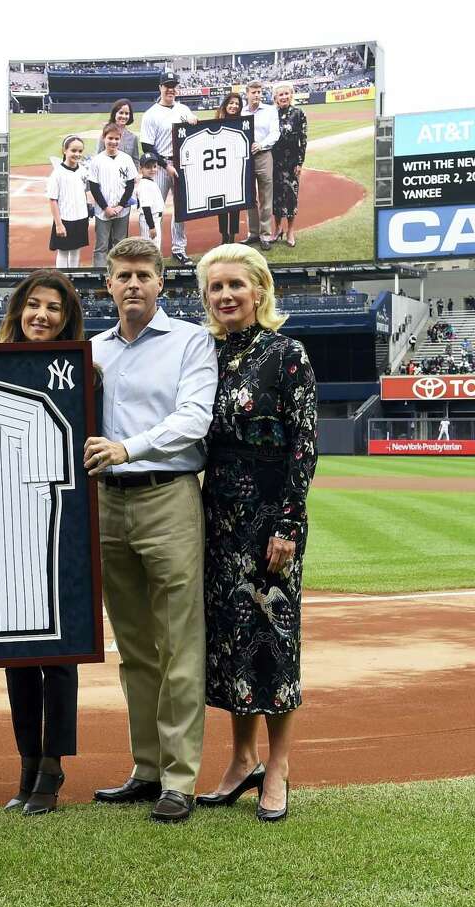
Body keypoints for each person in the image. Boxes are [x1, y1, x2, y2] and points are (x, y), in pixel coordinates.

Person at [84, 237, 217, 823]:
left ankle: (181, 779)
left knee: (179, 644)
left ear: (161, 283)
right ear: (107, 285)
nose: (132, 284)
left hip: (168, 496)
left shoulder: (191, 341)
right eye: (122, 276)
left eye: (143, 274)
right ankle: (147, 767)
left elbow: (194, 419)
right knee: (135, 647)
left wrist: (126, 448)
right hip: (108, 503)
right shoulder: (91, 351)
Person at [193, 244, 317, 822]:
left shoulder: (287, 354)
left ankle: (280, 766)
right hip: (217, 518)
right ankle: (241, 760)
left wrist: (289, 523)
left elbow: (303, 446)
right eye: (215, 288)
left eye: (235, 286)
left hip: (271, 520)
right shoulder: (203, 355)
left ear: (261, 291)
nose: (225, 297)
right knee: (231, 642)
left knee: (273, 640)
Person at [0, 270, 86, 816]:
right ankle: (28, 760)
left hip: (59, 524)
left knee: (60, 651)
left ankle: (51, 767)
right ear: (19, 310)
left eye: (54, 308)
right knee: (15, 650)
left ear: (66, 317)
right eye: (34, 306)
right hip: (3, 527)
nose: (42, 316)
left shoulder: (79, 368)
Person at [140, 71, 197, 265]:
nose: (170, 89)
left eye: (173, 85)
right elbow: (147, 146)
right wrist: (165, 166)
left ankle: (179, 249)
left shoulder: (183, 108)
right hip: (160, 165)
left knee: (181, 209)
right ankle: (150, 250)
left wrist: (193, 119)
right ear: (160, 88)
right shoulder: (151, 114)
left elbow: (193, 123)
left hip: (182, 164)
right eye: (167, 85)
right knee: (155, 209)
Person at [87, 124, 138, 268]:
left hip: (122, 210)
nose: (113, 142)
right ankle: (98, 275)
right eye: (110, 138)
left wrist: (121, 205)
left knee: (120, 244)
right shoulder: (97, 160)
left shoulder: (126, 159)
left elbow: (130, 185)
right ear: (104, 138)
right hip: (103, 211)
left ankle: (119, 272)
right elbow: (94, 187)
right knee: (101, 246)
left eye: (116, 139)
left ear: (120, 139)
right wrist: (106, 208)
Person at [242, 80, 281, 252]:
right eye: (254, 92)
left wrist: (262, 144)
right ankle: (253, 233)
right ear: (247, 93)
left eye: (259, 92)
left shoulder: (270, 110)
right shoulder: (241, 111)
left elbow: (275, 132)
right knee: (249, 197)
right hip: (245, 158)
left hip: (264, 155)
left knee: (266, 196)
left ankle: (265, 235)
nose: (257, 95)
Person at [271, 83, 309, 248]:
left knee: (291, 197)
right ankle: (277, 228)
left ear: (291, 95)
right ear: (275, 98)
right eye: (280, 95)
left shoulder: (298, 113)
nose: (284, 97)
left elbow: (303, 139)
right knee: (276, 197)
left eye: (287, 94)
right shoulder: (271, 114)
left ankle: (290, 231)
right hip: (273, 162)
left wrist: (300, 162)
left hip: (292, 162)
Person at [46, 134, 91, 269]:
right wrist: (59, 224)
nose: (77, 154)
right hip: (65, 219)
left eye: (80, 151)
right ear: (64, 151)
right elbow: (53, 200)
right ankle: (62, 280)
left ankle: (74, 281)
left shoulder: (83, 170)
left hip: (81, 217)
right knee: (64, 252)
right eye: (73, 150)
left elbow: (84, 192)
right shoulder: (57, 173)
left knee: (76, 251)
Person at [214, 92, 246, 244]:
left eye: (237, 104)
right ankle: (223, 236)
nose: (234, 106)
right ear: (226, 104)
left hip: (236, 169)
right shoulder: (216, 122)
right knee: (221, 203)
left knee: (235, 204)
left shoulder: (243, 122)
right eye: (231, 103)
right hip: (220, 170)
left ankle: (232, 235)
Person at [96, 98, 141, 167]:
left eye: (127, 113)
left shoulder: (133, 138)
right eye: (121, 113)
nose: (124, 116)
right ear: (115, 114)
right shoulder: (105, 134)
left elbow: (135, 161)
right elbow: (98, 157)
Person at [134, 154, 165, 250]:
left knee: (153, 249)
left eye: (154, 166)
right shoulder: (145, 185)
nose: (152, 169)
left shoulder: (149, 182)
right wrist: (151, 227)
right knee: (151, 250)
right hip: (149, 221)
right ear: (141, 169)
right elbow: (146, 208)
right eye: (148, 167)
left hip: (153, 219)